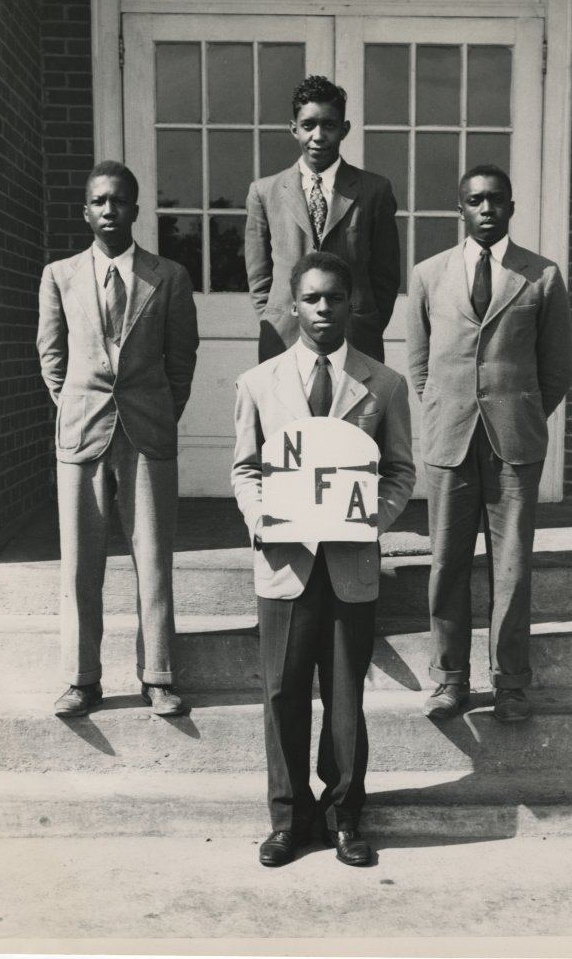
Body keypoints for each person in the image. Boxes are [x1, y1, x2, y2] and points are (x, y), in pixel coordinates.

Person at [232, 250, 415, 867]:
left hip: (348, 564)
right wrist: (264, 521)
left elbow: (399, 472)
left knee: (344, 699)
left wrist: (368, 518)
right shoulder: (260, 383)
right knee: (283, 693)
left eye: (335, 297)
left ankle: (345, 816)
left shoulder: (382, 384)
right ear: (293, 305)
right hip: (286, 562)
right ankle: (288, 819)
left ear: (351, 305)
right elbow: (246, 469)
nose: (323, 308)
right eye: (312, 298)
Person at [406, 164, 572, 724]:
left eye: (495, 199)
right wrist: (448, 412)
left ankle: (510, 685)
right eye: (474, 200)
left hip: (514, 445)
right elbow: (420, 367)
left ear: (511, 206)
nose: (485, 209)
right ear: (459, 208)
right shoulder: (428, 275)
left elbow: (556, 371)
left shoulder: (541, 276)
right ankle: (450, 680)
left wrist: (518, 411)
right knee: (447, 564)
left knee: (513, 569)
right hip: (450, 441)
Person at [37, 160, 199, 718]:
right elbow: (52, 358)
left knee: (153, 558)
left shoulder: (168, 276)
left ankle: (158, 675)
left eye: (120, 201)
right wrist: (78, 405)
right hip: (82, 432)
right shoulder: (59, 276)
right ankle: (82, 680)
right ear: (86, 211)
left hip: (148, 432)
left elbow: (182, 359)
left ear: (135, 209)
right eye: (99, 202)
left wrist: (159, 410)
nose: (109, 210)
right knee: (80, 563)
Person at [245, 74, 400, 364]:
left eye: (328, 125)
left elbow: (385, 276)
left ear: (344, 129)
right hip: (285, 338)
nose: (318, 136)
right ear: (294, 129)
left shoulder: (374, 190)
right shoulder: (265, 192)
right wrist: (281, 316)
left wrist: (365, 321)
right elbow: (259, 279)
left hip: (356, 335)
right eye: (308, 126)